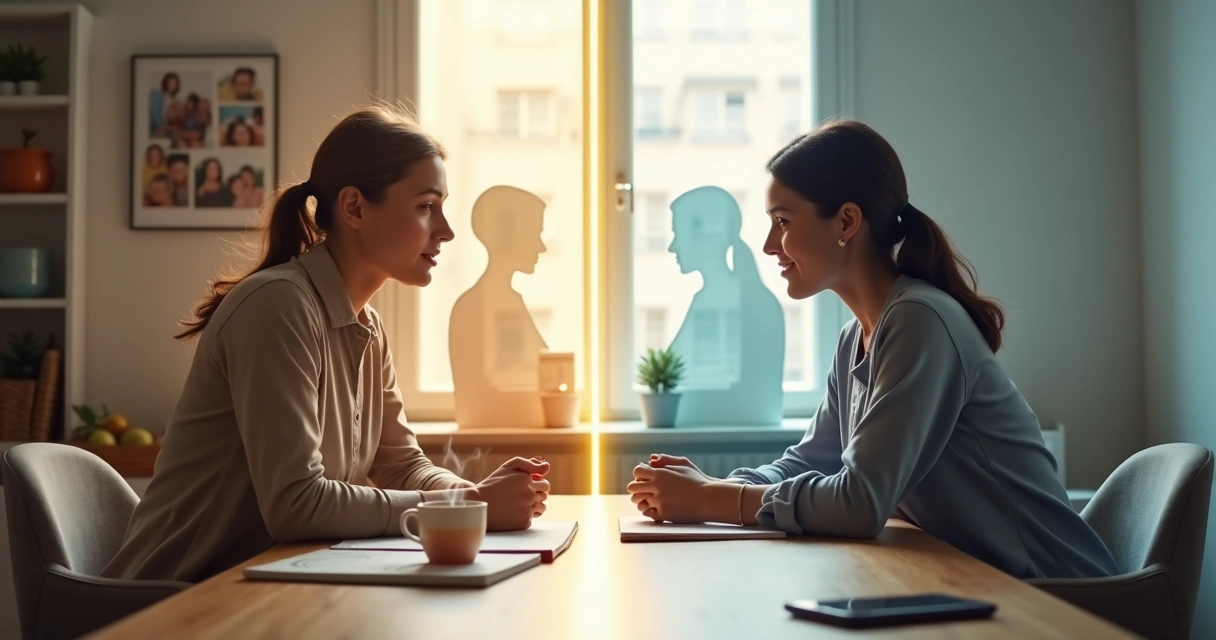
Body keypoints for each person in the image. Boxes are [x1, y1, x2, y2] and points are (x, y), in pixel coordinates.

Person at [627, 119, 1119, 580]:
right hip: (978, 585)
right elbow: (809, 461)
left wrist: (713, 500)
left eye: (782, 221)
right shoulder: (857, 337)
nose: (768, 245)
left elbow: (859, 503)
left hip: (1055, 600)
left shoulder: (919, 320)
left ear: (846, 222)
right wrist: (711, 485)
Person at [103, 104, 552, 583]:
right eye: (425, 206)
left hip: (263, 588)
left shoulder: (367, 326)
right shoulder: (277, 305)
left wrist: (468, 497)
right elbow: (296, 505)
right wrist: (469, 504)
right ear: (355, 207)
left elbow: (402, 465)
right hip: (172, 601)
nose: (446, 230)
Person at [665, 186, 784, 425]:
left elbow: (758, 395)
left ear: (707, 236)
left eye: (678, 233)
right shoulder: (705, 301)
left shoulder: (758, 304)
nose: (672, 246)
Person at [449, 186, 549, 427]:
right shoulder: (474, 308)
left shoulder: (508, 302)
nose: (542, 246)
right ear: (509, 235)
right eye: (535, 233)